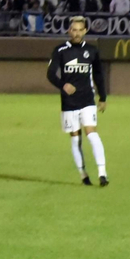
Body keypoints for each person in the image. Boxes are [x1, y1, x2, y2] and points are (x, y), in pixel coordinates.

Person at [46, 17, 109, 186]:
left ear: (85, 31)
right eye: (74, 30)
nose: (77, 33)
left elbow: (98, 75)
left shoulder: (92, 51)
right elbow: (51, 74)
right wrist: (63, 85)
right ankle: (83, 174)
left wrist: (102, 97)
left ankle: (102, 173)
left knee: (92, 133)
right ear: (69, 31)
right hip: (69, 102)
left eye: (80, 30)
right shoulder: (60, 50)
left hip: (87, 99)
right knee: (75, 139)